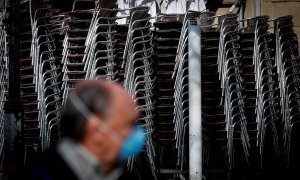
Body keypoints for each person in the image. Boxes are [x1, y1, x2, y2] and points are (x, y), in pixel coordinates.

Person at [11, 79, 146, 180]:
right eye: (129, 124)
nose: (138, 133)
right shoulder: (38, 175)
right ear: (96, 130)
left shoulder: (125, 176)